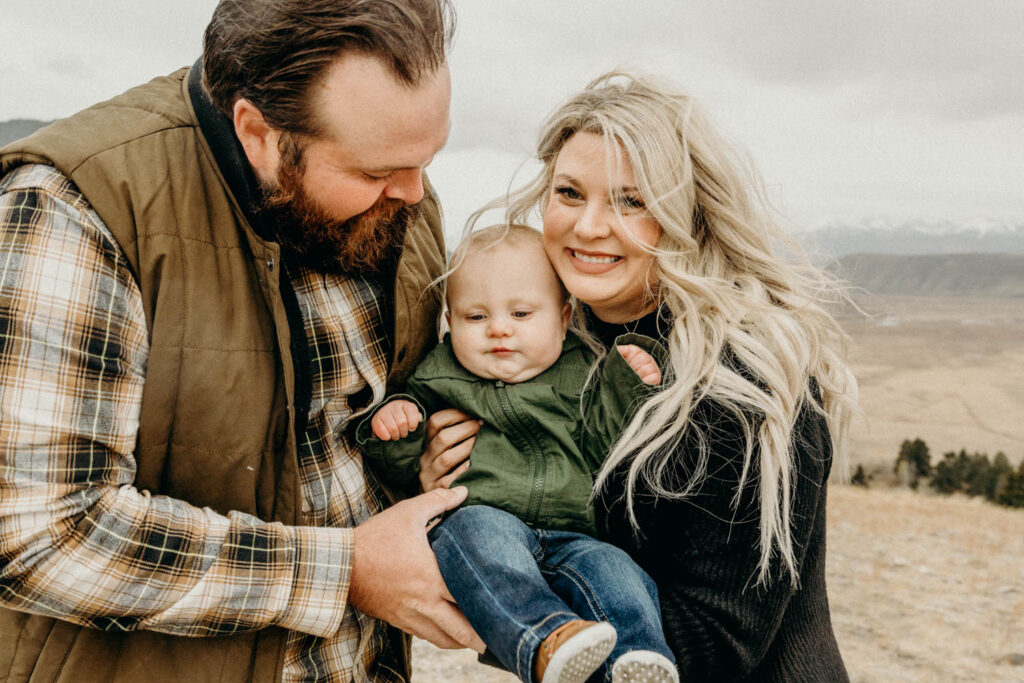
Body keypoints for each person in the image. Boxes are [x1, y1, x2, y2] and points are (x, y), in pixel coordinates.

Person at [0, 1, 488, 681]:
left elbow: (362, 436)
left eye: (429, 158)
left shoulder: (400, 184)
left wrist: (428, 451)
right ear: (257, 133)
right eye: (375, 173)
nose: (413, 192)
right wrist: (340, 570)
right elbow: (40, 533)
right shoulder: (73, 208)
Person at [427, 71, 860, 681]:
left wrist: (506, 610)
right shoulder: (551, 341)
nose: (589, 227)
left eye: (632, 201)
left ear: (687, 213)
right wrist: (457, 485)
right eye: (570, 193)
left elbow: (713, 646)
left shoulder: (739, 376)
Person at [356, 224, 678, 683]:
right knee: (480, 537)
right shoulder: (440, 376)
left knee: (615, 569)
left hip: (573, 533)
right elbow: (401, 466)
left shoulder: (582, 374)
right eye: (475, 317)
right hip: (483, 521)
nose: (500, 329)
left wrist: (628, 385)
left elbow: (608, 443)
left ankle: (641, 657)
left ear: (564, 319)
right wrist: (399, 423)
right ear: (449, 321)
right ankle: (547, 641)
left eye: (522, 313)